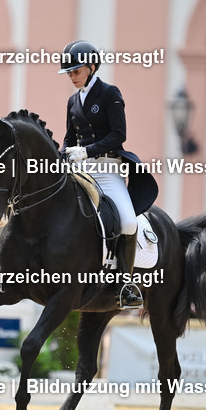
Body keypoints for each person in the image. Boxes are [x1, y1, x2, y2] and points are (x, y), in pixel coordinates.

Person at [58, 39, 157, 309]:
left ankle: (126, 283)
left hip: (107, 170)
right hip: (81, 170)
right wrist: (65, 153)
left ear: (91, 67)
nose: (72, 77)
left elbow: (118, 135)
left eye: (76, 71)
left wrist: (87, 151)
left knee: (127, 222)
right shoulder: (72, 101)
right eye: (69, 72)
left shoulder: (109, 93)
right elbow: (69, 137)